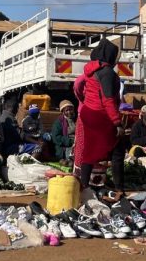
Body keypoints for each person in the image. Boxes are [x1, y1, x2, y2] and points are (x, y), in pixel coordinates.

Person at [74, 39, 123, 189]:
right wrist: (117, 123)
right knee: (118, 150)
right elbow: (108, 100)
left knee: (89, 150)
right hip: (101, 115)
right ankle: (119, 188)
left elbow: (78, 86)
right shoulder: (107, 72)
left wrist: (83, 100)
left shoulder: (91, 70)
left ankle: (84, 186)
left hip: (88, 113)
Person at [51, 100, 77, 166]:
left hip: (78, 142)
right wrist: (70, 141)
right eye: (66, 110)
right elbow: (56, 137)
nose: (69, 112)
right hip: (66, 145)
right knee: (72, 160)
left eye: (70, 109)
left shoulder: (78, 119)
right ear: (63, 112)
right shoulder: (59, 122)